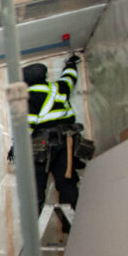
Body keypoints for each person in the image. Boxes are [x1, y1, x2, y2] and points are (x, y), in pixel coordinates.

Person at [24, 54, 84, 214]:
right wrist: (70, 64)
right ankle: (71, 225)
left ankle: (34, 225)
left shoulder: (30, 95)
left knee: (37, 185)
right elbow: (69, 78)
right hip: (67, 142)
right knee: (66, 181)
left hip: (42, 146)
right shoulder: (59, 87)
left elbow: (28, 125)